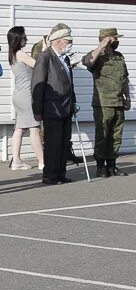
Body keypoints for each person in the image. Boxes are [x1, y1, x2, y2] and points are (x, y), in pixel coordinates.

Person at [31, 25, 78, 185]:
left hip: (66, 107)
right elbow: (38, 84)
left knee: (64, 142)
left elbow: (69, 83)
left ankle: (60, 172)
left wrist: (74, 102)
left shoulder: (65, 58)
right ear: (58, 41)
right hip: (52, 108)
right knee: (53, 144)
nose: (70, 43)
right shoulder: (45, 57)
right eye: (68, 41)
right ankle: (50, 175)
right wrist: (37, 109)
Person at [81, 28, 131, 177]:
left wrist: (127, 97)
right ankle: (100, 166)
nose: (117, 41)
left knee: (116, 136)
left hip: (118, 102)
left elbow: (125, 79)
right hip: (103, 103)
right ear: (107, 39)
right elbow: (87, 62)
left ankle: (112, 165)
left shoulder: (119, 56)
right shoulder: (97, 56)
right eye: (115, 38)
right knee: (102, 135)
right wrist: (101, 45)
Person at [7, 26, 44, 171]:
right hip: (27, 95)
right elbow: (38, 65)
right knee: (34, 128)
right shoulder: (21, 54)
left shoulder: (12, 54)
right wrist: (45, 49)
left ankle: (16, 160)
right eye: (24, 37)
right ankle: (42, 162)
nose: (26, 39)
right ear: (18, 38)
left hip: (18, 95)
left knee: (20, 128)